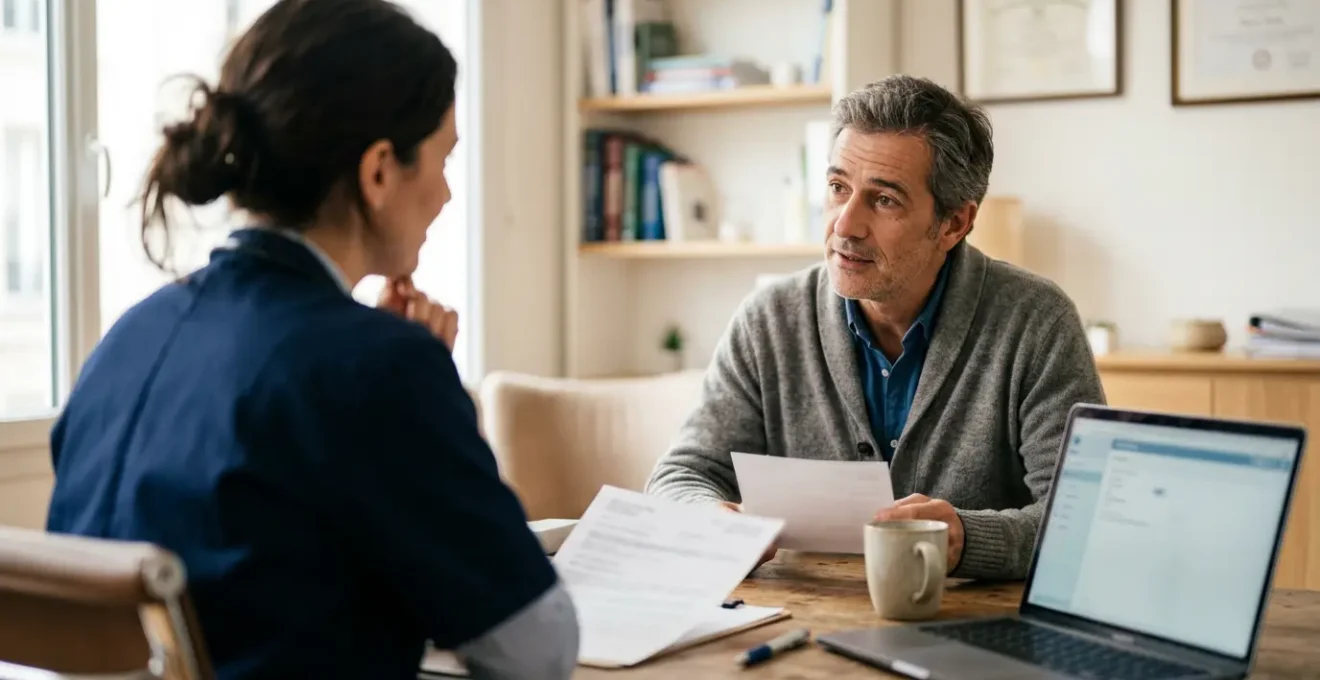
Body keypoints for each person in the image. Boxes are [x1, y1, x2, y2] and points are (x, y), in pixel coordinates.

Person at [43, 1, 577, 678]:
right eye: (445, 159)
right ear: (379, 170)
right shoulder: (377, 370)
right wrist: (421, 399)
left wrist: (402, 393)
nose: (445, 194)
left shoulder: (128, 340)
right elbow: (539, 651)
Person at [645, 75, 1106, 581]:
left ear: (954, 223)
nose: (845, 224)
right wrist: (705, 518)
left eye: (883, 200)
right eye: (838, 188)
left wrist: (967, 539)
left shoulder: (1036, 322)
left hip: (966, 631)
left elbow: (1085, 521)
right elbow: (681, 476)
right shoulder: (768, 320)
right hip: (799, 624)